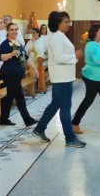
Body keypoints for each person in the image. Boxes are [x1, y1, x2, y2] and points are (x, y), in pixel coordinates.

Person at [32, 11, 86, 148]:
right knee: (66, 107)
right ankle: (70, 137)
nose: (68, 24)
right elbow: (59, 58)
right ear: (58, 23)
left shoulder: (60, 36)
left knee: (55, 104)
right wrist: (76, 56)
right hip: (61, 77)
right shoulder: (56, 37)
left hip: (64, 76)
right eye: (66, 22)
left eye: (69, 21)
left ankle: (39, 129)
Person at [0, 22, 39, 126]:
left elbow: (26, 57)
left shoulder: (18, 44)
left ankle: (3, 119)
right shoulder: (5, 43)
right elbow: (1, 57)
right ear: (7, 31)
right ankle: (27, 119)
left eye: (16, 29)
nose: (14, 31)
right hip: (9, 73)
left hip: (16, 74)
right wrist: (11, 54)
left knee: (10, 96)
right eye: (12, 29)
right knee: (19, 95)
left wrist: (34, 68)